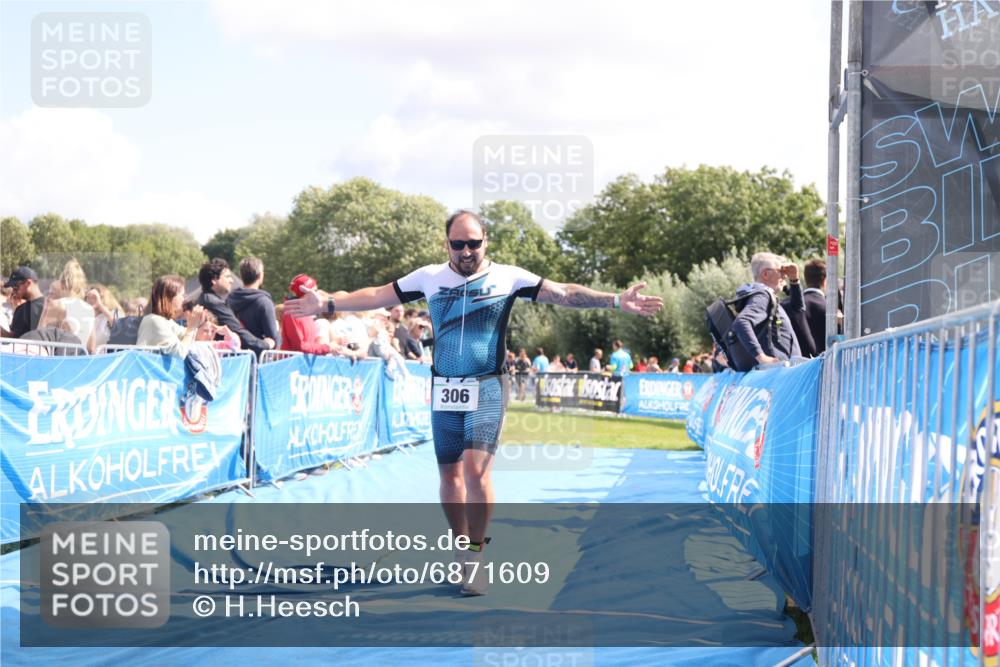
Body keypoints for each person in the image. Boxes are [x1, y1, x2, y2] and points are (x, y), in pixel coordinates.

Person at [285, 210, 661, 595]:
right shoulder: (429, 277)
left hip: (488, 386)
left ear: (486, 241)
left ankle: (476, 556)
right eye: (458, 244)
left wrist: (616, 300)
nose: (466, 251)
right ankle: (462, 549)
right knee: (449, 476)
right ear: (446, 243)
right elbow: (377, 294)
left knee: (475, 472)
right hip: (445, 388)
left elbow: (563, 293)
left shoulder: (508, 277)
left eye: (474, 243)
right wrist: (327, 304)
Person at [731, 252, 801, 366]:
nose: (784, 276)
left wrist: (794, 280)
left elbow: (797, 308)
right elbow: (742, 322)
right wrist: (762, 358)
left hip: (779, 371)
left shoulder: (766, 296)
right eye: (780, 271)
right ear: (765, 274)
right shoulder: (763, 295)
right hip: (777, 371)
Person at [197, 258, 275, 356]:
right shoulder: (214, 303)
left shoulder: (206, 299)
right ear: (214, 280)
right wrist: (264, 345)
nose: (231, 280)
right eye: (227, 277)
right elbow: (237, 331)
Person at [137, 275, 207, 358]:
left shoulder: (166, 321)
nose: (184, 300)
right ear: (169, 298)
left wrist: (199, 322)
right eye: (182, 295)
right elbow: (180, 353)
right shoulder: (154, 321)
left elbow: (186, 335)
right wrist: (191, 328)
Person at [227, 257, 281, 349]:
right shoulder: (264, 303)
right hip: (258, 354)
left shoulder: (229, 300)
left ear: (241, 276)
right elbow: (272, 338)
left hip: (233, 353)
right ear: (260, 275)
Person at [280, 274, 332, 355]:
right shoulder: (292, 313)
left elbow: (309, 343)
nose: (317, 294)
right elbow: (300, 346)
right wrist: (326, 348)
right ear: (306, 292)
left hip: (304, 361)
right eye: (315, 291)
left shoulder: (307, 312)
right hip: (293, 362)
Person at [55, 259, 97, 353]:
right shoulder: (89, 309)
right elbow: (91, 347)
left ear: (62, 284)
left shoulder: (57, 304)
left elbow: (41, 337)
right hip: (81, 359)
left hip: (59, 358)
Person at [2, 267, 44, 338]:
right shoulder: (20, 309)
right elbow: (15, 338)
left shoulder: (46, 308)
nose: (13, 291)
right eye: (12, 288)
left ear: (28, 283)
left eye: (15, 287)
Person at [802, 258, 829, 355]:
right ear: (825, 280)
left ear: (805, 278)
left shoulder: (787, 305)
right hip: (824, 361)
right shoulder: (829, 309)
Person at [86, 283, 124, 349]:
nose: (89, 300)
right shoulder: (86, 316)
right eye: (87, 297)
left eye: (94, 297)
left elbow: (120, 328)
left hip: (108, 354)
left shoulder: (114, 313)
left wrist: (101, 306)